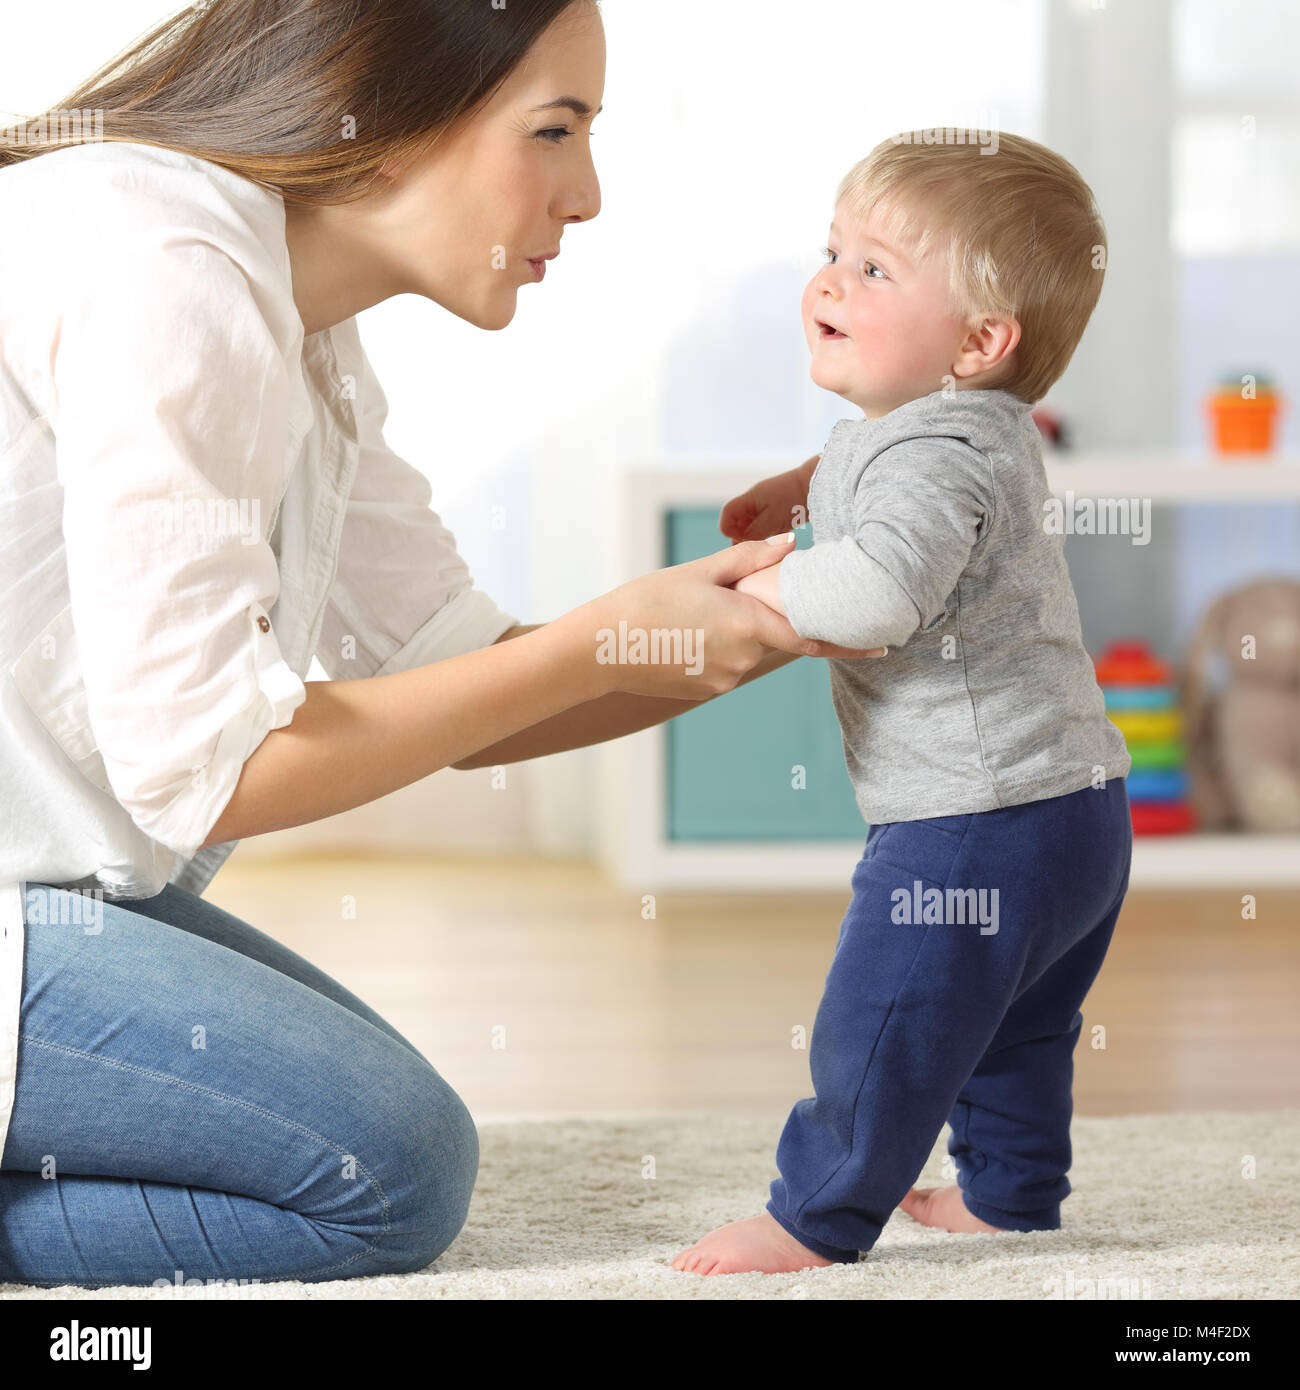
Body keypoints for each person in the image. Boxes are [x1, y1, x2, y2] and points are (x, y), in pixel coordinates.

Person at [0, 0, 879, 1289]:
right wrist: (600, 644)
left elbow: (456, 669)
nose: (585, 194)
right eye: (555, 129)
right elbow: (208, 771)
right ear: (392, 109)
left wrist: (777, 615)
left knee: (377, 1143)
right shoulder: (170, 269)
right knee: (387, 1173)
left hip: (45, 892)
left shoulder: (290, 323)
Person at [673, 131, 1134, 1275]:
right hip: (1075, 808)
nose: (828, 281)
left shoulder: (929, 455)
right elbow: (900, 482)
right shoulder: (973, 430)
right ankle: (1009, 1196)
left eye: (873, 270)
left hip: (969, 824)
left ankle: (814, 1216)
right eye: (832, 252)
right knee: (1015, 1028)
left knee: (887, 1019)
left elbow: (879, 588)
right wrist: (808, 486)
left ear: (976, 342)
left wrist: (774, 581)